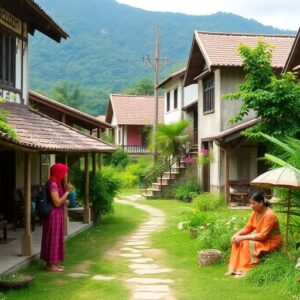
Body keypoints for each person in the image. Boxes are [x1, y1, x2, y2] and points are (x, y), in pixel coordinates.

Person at [226, 192, 282, 278]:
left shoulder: (270, 215)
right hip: (261, 238)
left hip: (272, 241)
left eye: (253, 203)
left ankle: (247, 271)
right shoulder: (255, 213)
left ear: (261, 203)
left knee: (246, 243)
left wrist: (242, 238)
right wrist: (236, 235)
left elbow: (263, 236)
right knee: (236, 241)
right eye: (250, 203)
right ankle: (234, 269)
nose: (251, 206)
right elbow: (248, 228)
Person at [40, 163, 73, 272]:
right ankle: (50, 265)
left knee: (57, 238)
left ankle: (54, 263)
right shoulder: (53, 184)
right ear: (59, 173)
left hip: (57, 215)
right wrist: (67, 192)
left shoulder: (57, 183)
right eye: (64, 172)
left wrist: (65, 200)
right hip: (52, 216)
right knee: (52, 238)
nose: (65, 174)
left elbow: (60, 200)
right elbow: (57, 202)